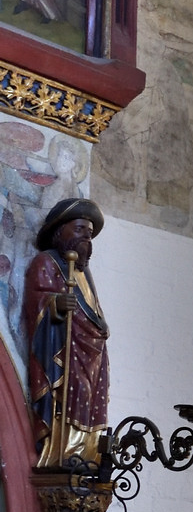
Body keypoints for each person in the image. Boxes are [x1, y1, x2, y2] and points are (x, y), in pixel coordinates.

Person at [24, 197, 109, 468]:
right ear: (60, 232)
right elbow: (36, 300)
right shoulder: (46, 262)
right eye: (80, 229)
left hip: (92, 350)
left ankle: (88, 451)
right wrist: (56, 304)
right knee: (75, 392)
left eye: (90, 233)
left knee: (92, 397)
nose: (86, 237)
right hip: (66, 348)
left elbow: (92, 308)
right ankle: (65, 450)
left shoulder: (84, 272)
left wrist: (101, 326)